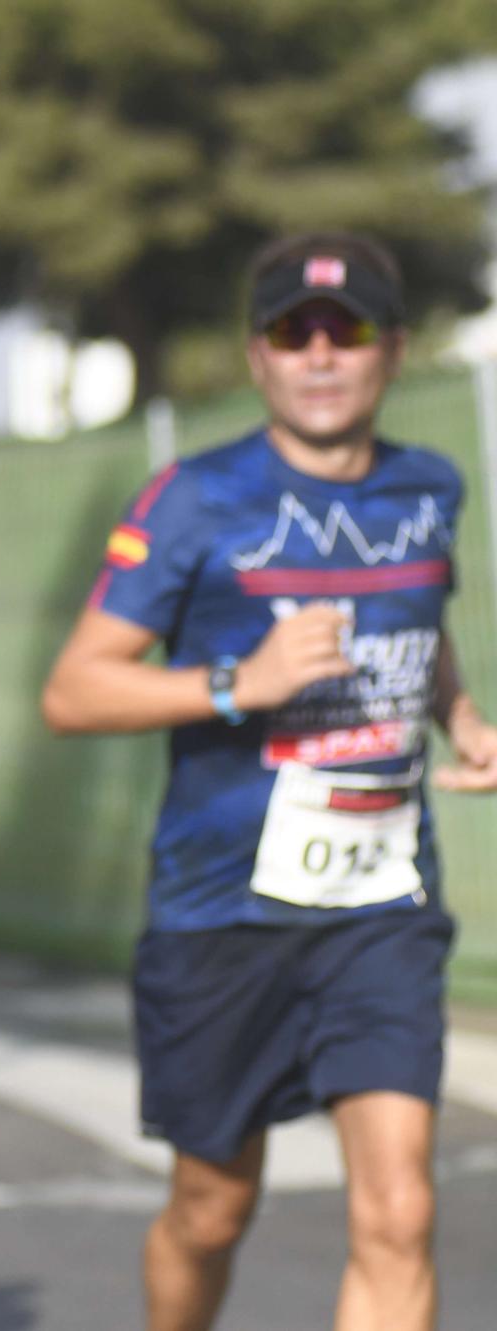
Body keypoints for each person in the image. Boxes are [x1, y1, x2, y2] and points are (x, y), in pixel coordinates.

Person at [41, 233, 497, 1331]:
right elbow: (74, 690)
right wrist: (237, 680)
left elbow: (417, 624)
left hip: (378, 909)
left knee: (397, 1207)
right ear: (258, 358)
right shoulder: (193, 498)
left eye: (345, 332)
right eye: (293, 331)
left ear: (389, 351)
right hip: (219, 914)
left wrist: (460, 715)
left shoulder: (428, 486)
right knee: (209, 1206)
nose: (320, 354)